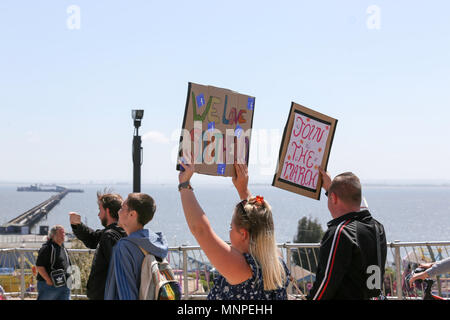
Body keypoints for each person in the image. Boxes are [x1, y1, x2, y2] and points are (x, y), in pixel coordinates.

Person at [178, 157, 289, 300]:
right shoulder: (276, 262)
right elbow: (259, 221)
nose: (229, 231)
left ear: (243, 234)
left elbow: (201, 230)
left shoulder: (241, 268)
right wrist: (243, 189)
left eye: (231, 227)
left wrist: (184, 184)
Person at [307, 168, 387, 300]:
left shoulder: (340, 232)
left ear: (333, 198)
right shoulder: (377, 228)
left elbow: (326, 284)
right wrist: (330, 189)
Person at [104, 193, 168, 300]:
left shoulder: (125, 247)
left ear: (132, 214)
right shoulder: (156, 243)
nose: (118, 212)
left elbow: (126, 292)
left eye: (122, 208)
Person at [69, 191, 127, 300]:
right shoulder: (114, 232)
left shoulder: (110, 235)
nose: (98, 215)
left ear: (107, 211)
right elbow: (93, 238)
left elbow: (118, 271)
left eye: (100, 210)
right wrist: (77, 225)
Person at [36, 225, 71, 300]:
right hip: (50, 286)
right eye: (61, 234)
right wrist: (48, 280)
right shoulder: (47, 248)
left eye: (64, 233)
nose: (63, 235)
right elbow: (39, 266)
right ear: (53, 236)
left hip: (64, 285)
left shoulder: (63, 248)